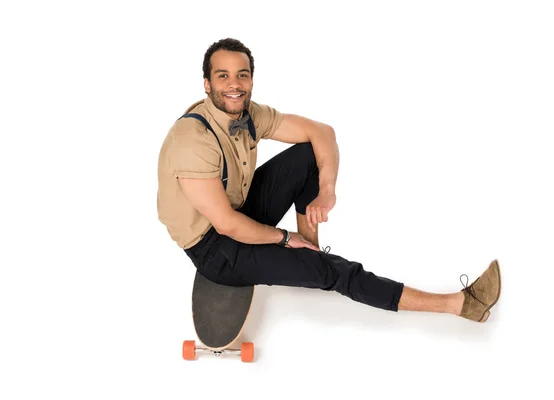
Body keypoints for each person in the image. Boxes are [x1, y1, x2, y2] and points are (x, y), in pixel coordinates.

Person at [156, 38, 501, 322]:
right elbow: (228, 225)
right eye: (223, 76)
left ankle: (310, 254)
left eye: (242, 75)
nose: (234, 84)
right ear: (207, 84)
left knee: (308, 154)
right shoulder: (193, 139)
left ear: (250, 80)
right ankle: (459, 305)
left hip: (239, 208)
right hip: (214, 246)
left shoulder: (250, 113)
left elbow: (322, 132)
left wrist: (326, 191)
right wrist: (284, 238)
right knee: (334, 271)